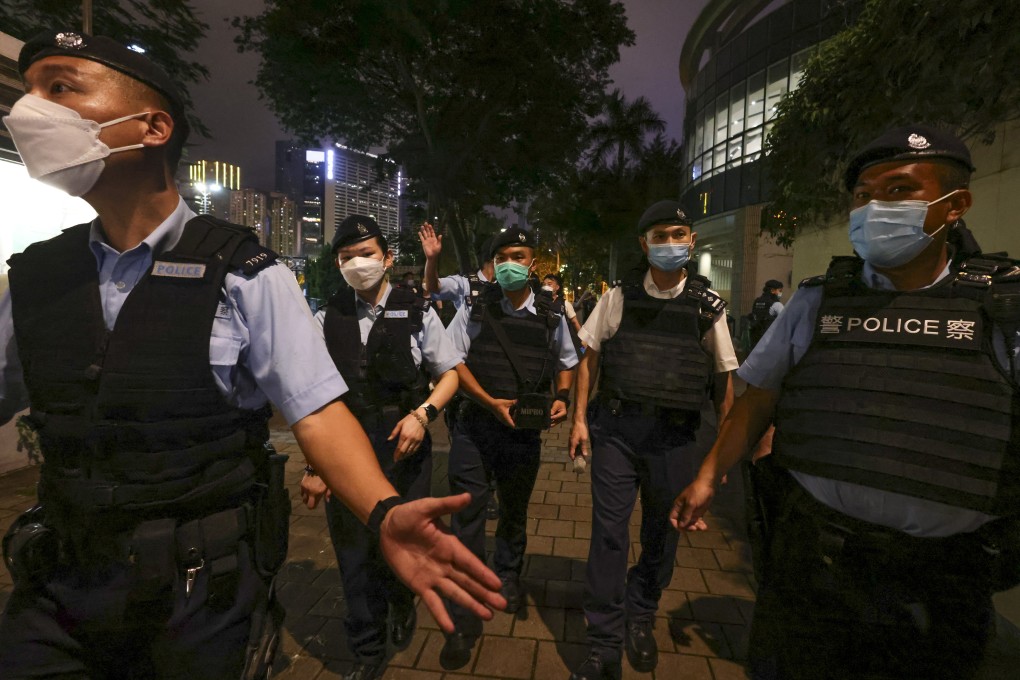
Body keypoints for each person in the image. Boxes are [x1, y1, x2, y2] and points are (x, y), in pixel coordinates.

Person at [0, 31, 503, 679]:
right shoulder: (37, 278)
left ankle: (386, 626)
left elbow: (317, 410)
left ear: (153, 126)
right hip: (60, 586)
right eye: (33, 88)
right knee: (354, 569)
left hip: (196, 592)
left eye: (62, 87)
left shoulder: (244, 272)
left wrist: (385, 504)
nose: (32, 109)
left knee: (370, 563)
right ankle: (369, 650)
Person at [672, 125, 1020, 680]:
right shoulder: (818, 301)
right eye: (863, 195)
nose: (876, 206)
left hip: (945, 578)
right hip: (817, 558)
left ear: (955, 205)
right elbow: (756, 401)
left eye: (900, 190)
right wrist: (710, 475)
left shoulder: (1003, 311)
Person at [567, 201, 737, 679]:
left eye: (678, 233)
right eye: (659, 235)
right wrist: (580, 420)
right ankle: (603, 642)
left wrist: (719, 458)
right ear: (643, 244)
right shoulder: (618, 297)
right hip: (617, 433)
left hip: (678, 439)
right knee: (608, 534)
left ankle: (640, 613)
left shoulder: (708, 308)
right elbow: (590, 358)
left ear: (692, 240)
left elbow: (725, 384)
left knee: (662, 535)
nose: (669, 243)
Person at [300, 215, 461, 680]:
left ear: (388, 258)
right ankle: (368, 650)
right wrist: (315, 463)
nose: (358, 263)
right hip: (345, 447)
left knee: (404, 544)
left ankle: (402, 601)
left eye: (366, 254)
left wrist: (423, 415)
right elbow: (312, 393)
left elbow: (449, 372)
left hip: (404, 447)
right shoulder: (326, 315)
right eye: (347, 256)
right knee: (353, 553)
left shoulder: (417, 310)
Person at [440, 227, 579, 669]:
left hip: (523, 434)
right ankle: (463, 613)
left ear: (533, 263)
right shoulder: (475, 308)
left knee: (515, 512)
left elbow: (568, 363)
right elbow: (453, 362)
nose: (509, 264)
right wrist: (489, 402)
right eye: (501, 257)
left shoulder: (552, 314)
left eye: (518, 256)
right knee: (467, 514)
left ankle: (507, 579)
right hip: (474, 428)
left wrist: (561, 399)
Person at [419, 222, 502, 519]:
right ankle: (472, 492)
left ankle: (488, 486)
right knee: (462, 435)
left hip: (492, 373)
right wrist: (432, 259)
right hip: (459, 376)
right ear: (492, 258)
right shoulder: (467, 284)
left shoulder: (510, 290)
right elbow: (434, 287)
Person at [746, 279, 784, 350]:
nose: (781, 293)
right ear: (772, 291)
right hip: (769, 339)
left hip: (755, 337)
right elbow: (785, 320)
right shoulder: (776, 304)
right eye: (780, 291)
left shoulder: (757, 301)